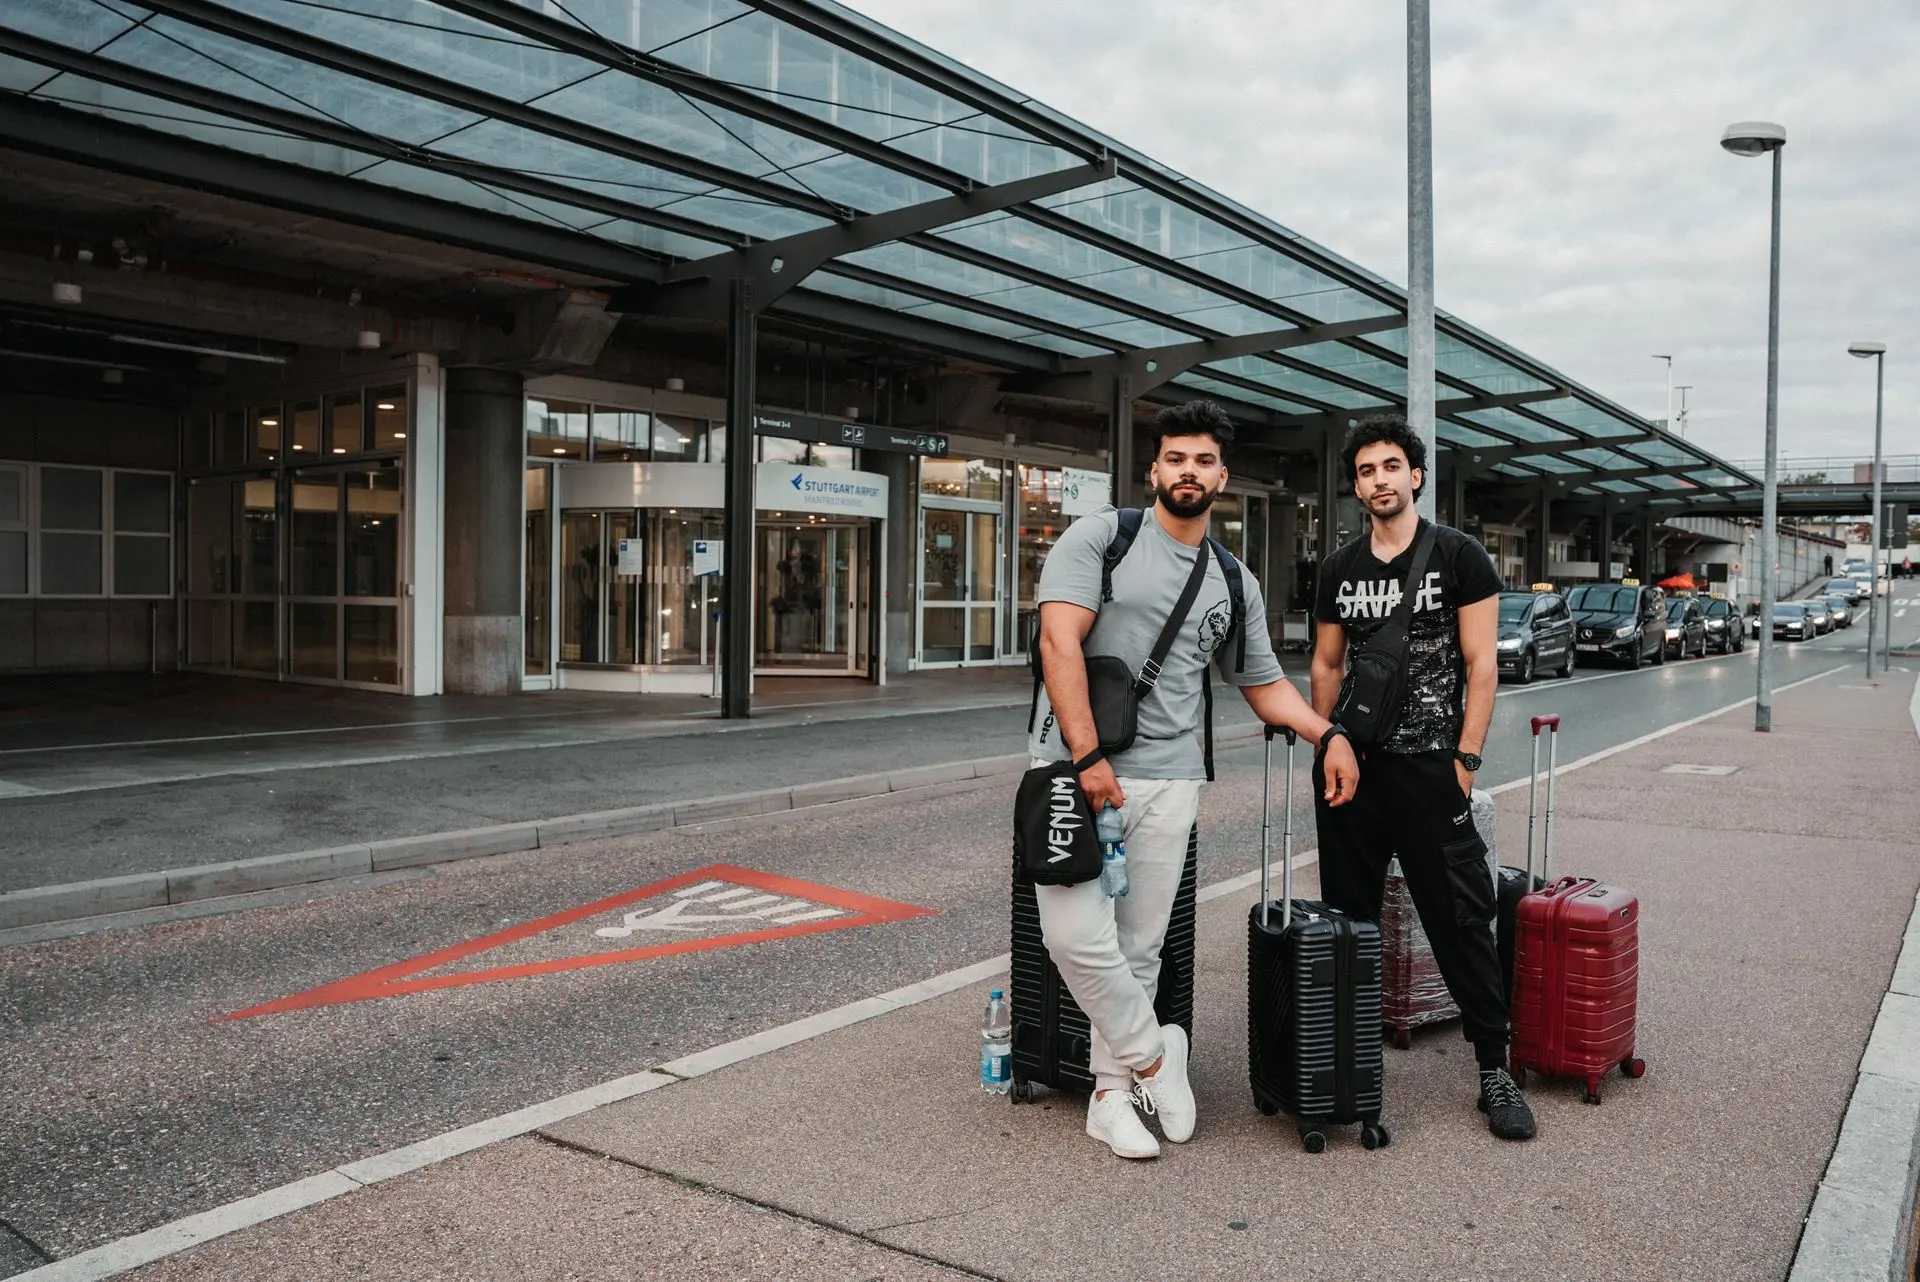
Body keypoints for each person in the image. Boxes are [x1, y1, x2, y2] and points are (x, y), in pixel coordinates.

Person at [1029, 400, 1360, 1160]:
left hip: (1172, 778)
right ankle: (1155, 1057)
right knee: (1072, 936)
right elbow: (1058, 643)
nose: (1188, 471)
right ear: (1154, 470)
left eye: (1203, 461)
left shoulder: (1233, 580)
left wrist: (1329, 732)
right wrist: (1088, 758)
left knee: (1141, 945)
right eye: (1176, 458)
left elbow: (1264, 685)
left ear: (1222, 477)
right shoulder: (1101, 539)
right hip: (1073, 771)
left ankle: (1111, 1097)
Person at [1308, 413, 1537, 1141]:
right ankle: (1344, 1065)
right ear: (1356, 487)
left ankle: (1494, 1070)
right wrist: (1327, 744)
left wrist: (1465, 762)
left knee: (1460, 919)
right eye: (1365, 471)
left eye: (1390, 467)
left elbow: (1481, 664)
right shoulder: (1339, 568)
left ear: (1415, 476)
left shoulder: (1459, 556)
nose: (1379, 480)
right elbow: (1326, 664)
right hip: (1355, 772)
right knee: (1348, 922)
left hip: (1433, 770)